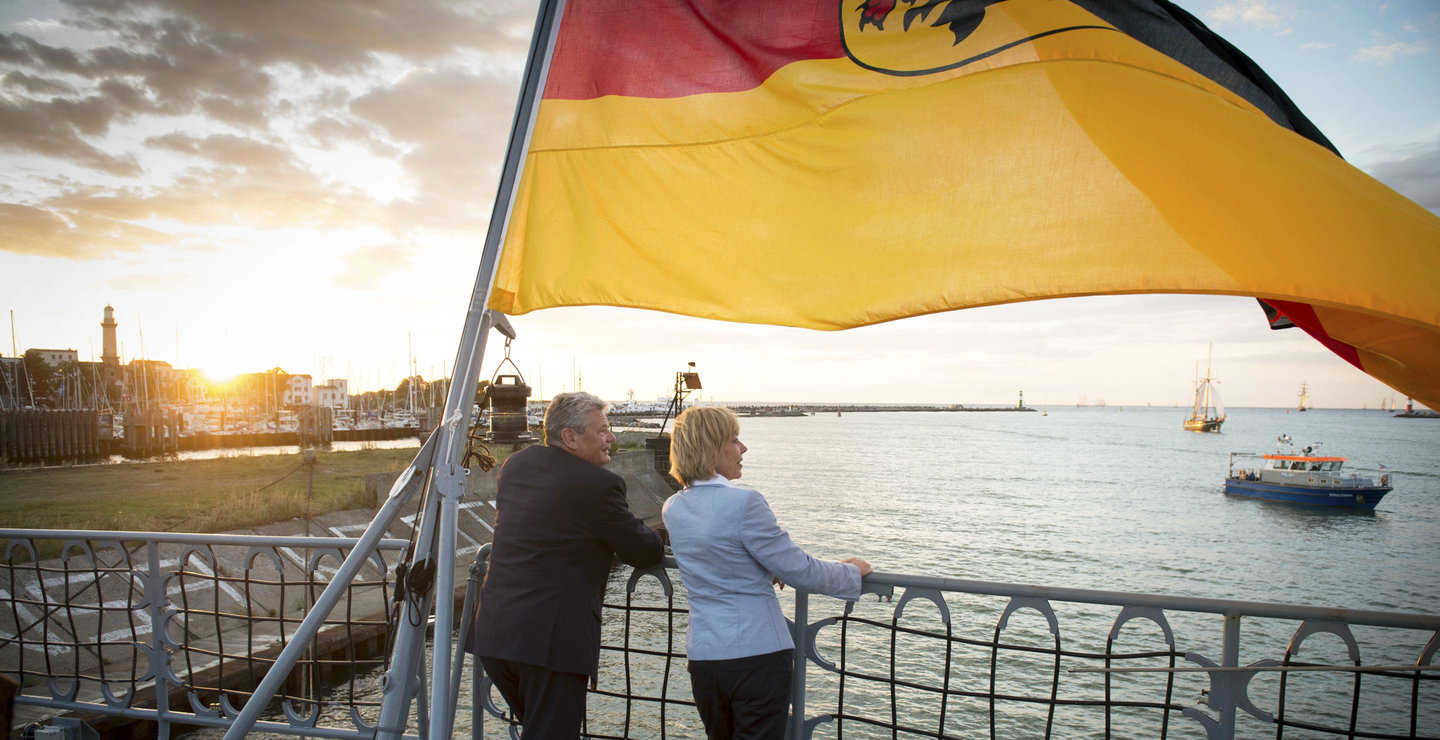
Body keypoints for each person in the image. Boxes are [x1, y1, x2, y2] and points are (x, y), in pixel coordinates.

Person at [661, 406, 871, 740]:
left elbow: (717, 555)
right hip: (756, 656)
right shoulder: (744, 504)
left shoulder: (673, 507)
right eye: (734, 440)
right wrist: (850, 573)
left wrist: (761, 567)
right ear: (712, 448)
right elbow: (799, 569)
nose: (743, 449)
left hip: (704, 657)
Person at [470, 391, 664, 739]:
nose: (612, 437)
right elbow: (644, 550)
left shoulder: (516, 465)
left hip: (495, 635)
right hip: (549, 647)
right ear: (570, 437)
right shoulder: (599, 486)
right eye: (603, 429)